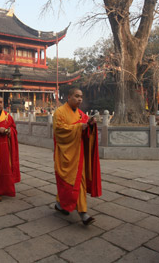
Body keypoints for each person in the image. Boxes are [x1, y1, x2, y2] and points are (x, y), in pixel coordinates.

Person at [53, 88, 102, 225]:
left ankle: (82, 212)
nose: (80, 99)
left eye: (81, 97)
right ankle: (67, 206)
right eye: (76, 96)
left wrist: (90, 125)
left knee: (78, 181)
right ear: (69, 97)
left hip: (78, 154)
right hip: (65, 153)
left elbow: (86, 131)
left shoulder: (81, 114)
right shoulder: (59, 112)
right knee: (66, 183)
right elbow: (59, 131)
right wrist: (79, 127)